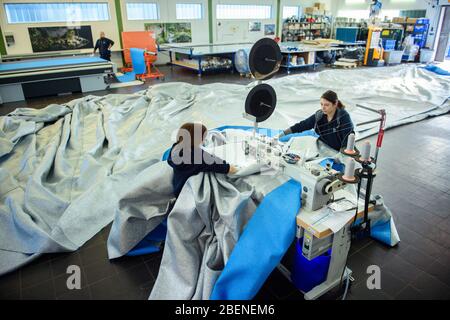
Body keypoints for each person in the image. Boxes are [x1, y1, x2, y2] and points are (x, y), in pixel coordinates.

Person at [167, 123, 238, 196]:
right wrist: (232, 168)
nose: (204, 140)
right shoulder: (196, 155)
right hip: (190, 194)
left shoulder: (176, 148)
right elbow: (219, 165)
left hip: (178, 187)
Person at [278, 90, 354, 151]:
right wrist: (284, 133)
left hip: (336, 151)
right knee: (289, 141)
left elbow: (347, 140)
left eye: (326, 105)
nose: (323, 108)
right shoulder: (320, 115)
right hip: (322, 146)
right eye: (321, 104)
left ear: (335, 103)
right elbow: (303, 125)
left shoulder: (343, 117)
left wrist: (341, 155)